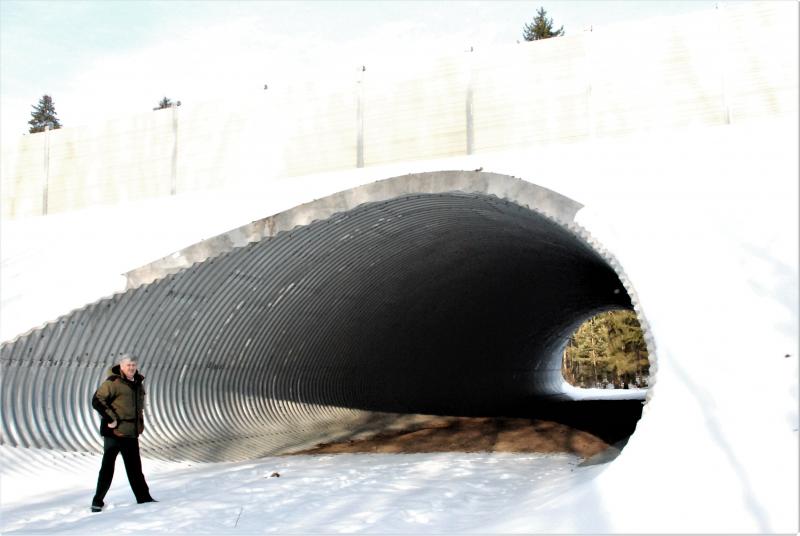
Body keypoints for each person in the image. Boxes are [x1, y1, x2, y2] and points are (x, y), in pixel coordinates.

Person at [90, 354, 156, 512]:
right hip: (114, 433)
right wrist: (111, 418)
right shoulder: (113, 382)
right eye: (128, 365)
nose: (131, 368)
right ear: (121, 366)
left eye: (133, 365)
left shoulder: (137, 383)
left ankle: (144, 498)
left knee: (135, 468)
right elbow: (97, 400)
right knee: (107, 467)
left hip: (131, 433)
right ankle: (97, 501)